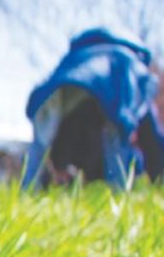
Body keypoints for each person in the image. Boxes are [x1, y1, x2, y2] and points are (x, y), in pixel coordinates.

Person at [23, 28, 164, 189]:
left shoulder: (74, 61)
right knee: (116, 149)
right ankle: (117, 193)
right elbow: (150, 135)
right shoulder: (129, 63)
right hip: (109, 118)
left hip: (68, 109)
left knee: (51, 148)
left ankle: (32, 189)